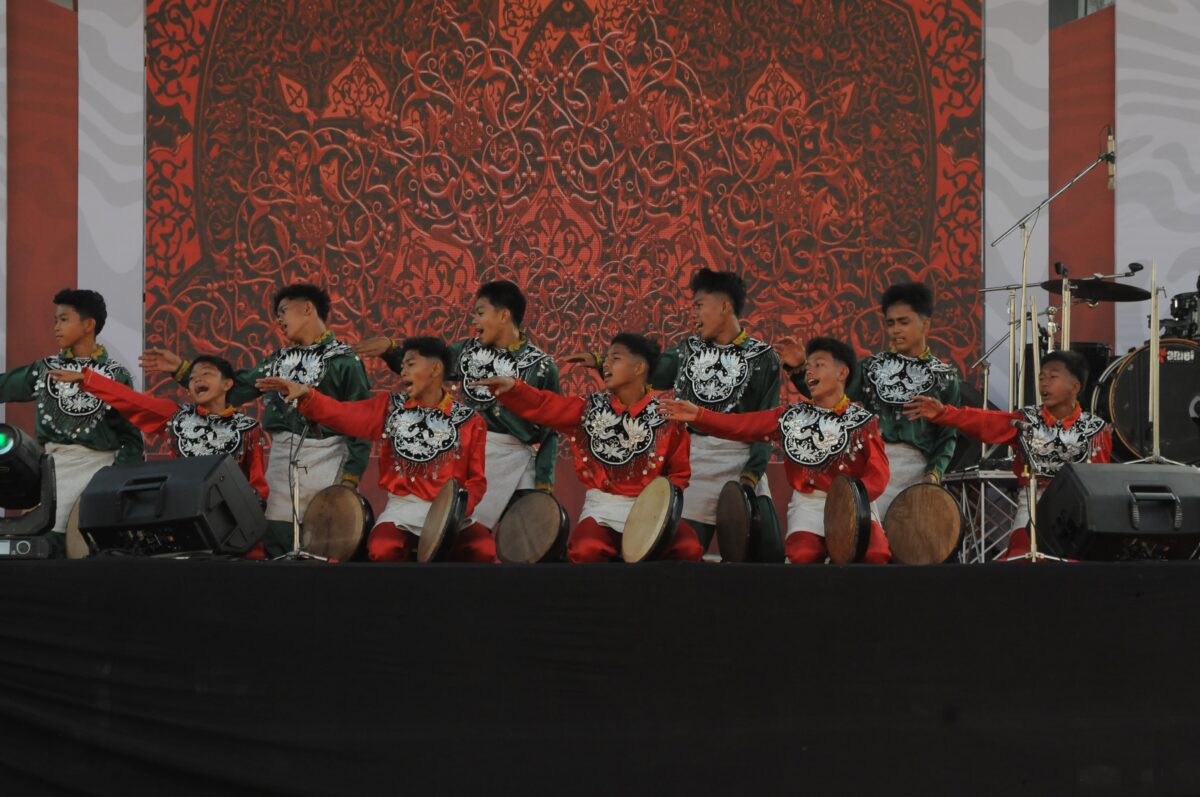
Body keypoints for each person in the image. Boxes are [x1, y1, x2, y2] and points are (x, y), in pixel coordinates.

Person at [142, 284, 371, 557]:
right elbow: (234, 389)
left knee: (324, 542)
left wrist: (351, 477)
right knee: (275, 537)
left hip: (328, 455)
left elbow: (360, 420)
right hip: (282, 457)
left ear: (308, 308)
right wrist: (183, 370)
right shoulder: (276, 361)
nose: (279, 320)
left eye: (283, 311)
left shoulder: (345, 361)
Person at [565, 269, 781, 556]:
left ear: (725, 306)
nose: (693, 314)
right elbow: (646, 370)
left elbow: (766, 424)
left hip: (741, 461)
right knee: (681, 552)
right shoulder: (686, 351)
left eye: (699, 305)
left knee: (768, 553)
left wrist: (751, 475)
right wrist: (603, 361)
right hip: (696, 463)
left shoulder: (764, 358)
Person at [258, 337, 494, 562]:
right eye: (402, 366)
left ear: (435, 369)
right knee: (383, 549)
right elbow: (342, 414)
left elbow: (476, 481)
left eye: (411, 364)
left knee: (483, 549)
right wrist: (308, 395)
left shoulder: (469, 421)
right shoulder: (390, 408)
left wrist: (455, 511)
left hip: (451, 514)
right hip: (405, 510)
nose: (403, 371)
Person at [473, 333, 704, 563]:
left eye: (615, 358)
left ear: (639, 368)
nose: (606, 364)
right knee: (586, 551)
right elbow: (545, 405)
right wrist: (514, 388)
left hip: (652, 512)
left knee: (689, 549)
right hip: (604, 510)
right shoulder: (588, 409)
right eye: (607, 358)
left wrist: (659, 508)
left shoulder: (667, 417)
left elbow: (679, 474)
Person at [661, 337, 892, 564]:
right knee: (803, 556)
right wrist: (699, 415)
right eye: (808, 366)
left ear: (842, 373)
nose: (810, 371)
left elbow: (878, 472)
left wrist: (851, 499)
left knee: (875, 555)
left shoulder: (863, 422)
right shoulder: (790, 418)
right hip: (810, 505)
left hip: (854, 504)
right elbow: (741, 426)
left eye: (819, 364)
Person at [353, 280, 560, 530]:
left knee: (525, 535)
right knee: (457, 531)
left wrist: (544, 484)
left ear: (504, 315)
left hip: (516, 459)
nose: (474, 321)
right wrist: (391, 350)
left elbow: (551, 429)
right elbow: (426, 368)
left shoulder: (541, 366)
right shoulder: (466, 351)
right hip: (472, 453)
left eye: (480, 313)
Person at [904, 350, 1111, 560]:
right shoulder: (1026, 420)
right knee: (1023, 559)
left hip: (1074, 512)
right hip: (1032, 504)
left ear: (1075, 387)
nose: (1044, 383)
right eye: (1041, 378)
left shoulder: (1095, 430)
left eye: (1053, 377)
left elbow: (1097, 484)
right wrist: (944, 413)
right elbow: (987, 421)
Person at [777, 281, 959, 518]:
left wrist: (933, 474)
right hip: (873, 467)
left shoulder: (945, 378)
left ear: (925, 325)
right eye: (890, 323)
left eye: (903, 322)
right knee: (863, 537)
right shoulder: (871, 369)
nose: (895, 330)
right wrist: (800, 367)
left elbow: (947, 437)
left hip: (918, 474)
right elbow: (827, 392)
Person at [0, 289, 143, 554]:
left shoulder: (115, 375)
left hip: (98, 471)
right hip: (51, 471)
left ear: (89, 325)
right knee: (38, 548)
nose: (56, 327)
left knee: (87, 552)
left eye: (64, 319)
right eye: (55, 320)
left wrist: (115, 483)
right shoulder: (45, 369)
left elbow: (131, 438)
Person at [48, 355, 268, 503]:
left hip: (229, 518)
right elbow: (131, 400)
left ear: (227, 384)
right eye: (192, 377)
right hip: (181, 508)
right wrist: (88, 379)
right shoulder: (176, 417)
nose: (197, 379)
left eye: (206, 374)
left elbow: (257, 485)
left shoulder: (247, 429)